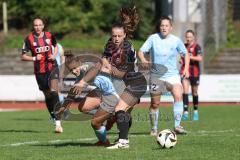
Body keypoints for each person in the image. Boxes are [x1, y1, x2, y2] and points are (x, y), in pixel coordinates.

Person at [69, 6, 146, 149]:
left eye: (119, 36)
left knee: (119, 110)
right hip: (115, 83)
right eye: (114, 36)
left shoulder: (127, 50)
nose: (116, 39)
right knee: (84, 106)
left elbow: (119, 73)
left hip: (131, 83)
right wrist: (82, 81)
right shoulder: (110, 45)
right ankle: (111, 118)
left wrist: (107, 67)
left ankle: (122, 141)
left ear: (124, 36)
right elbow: (100, 64)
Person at [137, 16, 190, 136]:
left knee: (178, 94)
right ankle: (154, 128)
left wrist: (186, 68)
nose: (164, 28)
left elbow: (185, 53)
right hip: (157, 76)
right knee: (155, 104)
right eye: (162, 25)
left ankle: (177, 126)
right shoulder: (153, 39)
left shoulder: (176, 40)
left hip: (172, 75)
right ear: (159, 27)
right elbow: (140, 51)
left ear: (170, 27)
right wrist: (144, 60)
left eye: (166, 25)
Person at [21, 18, 63, 133]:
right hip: (40, 71)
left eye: (40, 25)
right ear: (33, 26)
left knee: (54, 91)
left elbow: (56, 47)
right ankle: (54, 117)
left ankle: (58, 124)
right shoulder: (29, 39)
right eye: (35, 25)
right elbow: (23, 56)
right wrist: (34, 58)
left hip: (52, 67)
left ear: (43, 26)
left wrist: (54, 56)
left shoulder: (50, 35)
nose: (38, 27)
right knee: (47, 94)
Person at [180, 29, 203, 121]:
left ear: (193, 37)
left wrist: (189, 57)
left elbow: (200, 58)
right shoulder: (183, 46)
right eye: (187, 37)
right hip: (185, 72)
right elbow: (180, 57)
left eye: (190, 37)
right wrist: (181, 60)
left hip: (195, 72)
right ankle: (185, 112)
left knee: (194, 92)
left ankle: (195, 111)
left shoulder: (197, 47)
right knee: (185, 91)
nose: (188, 39)